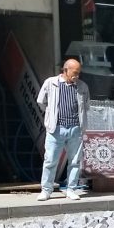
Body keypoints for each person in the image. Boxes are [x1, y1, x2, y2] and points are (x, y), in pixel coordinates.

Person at [36, 59, 90, 201]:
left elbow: (86, 106)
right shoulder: (51, 83)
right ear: (65, 70)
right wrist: (51, 116)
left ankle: (71, 189)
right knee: (50, 160)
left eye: (79, 73)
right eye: (74, 73)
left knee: (74, 161)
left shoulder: (82, 86)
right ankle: (46, 190)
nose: (77, 76)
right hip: (56, 129)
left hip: (75, 129)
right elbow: (41, 102)